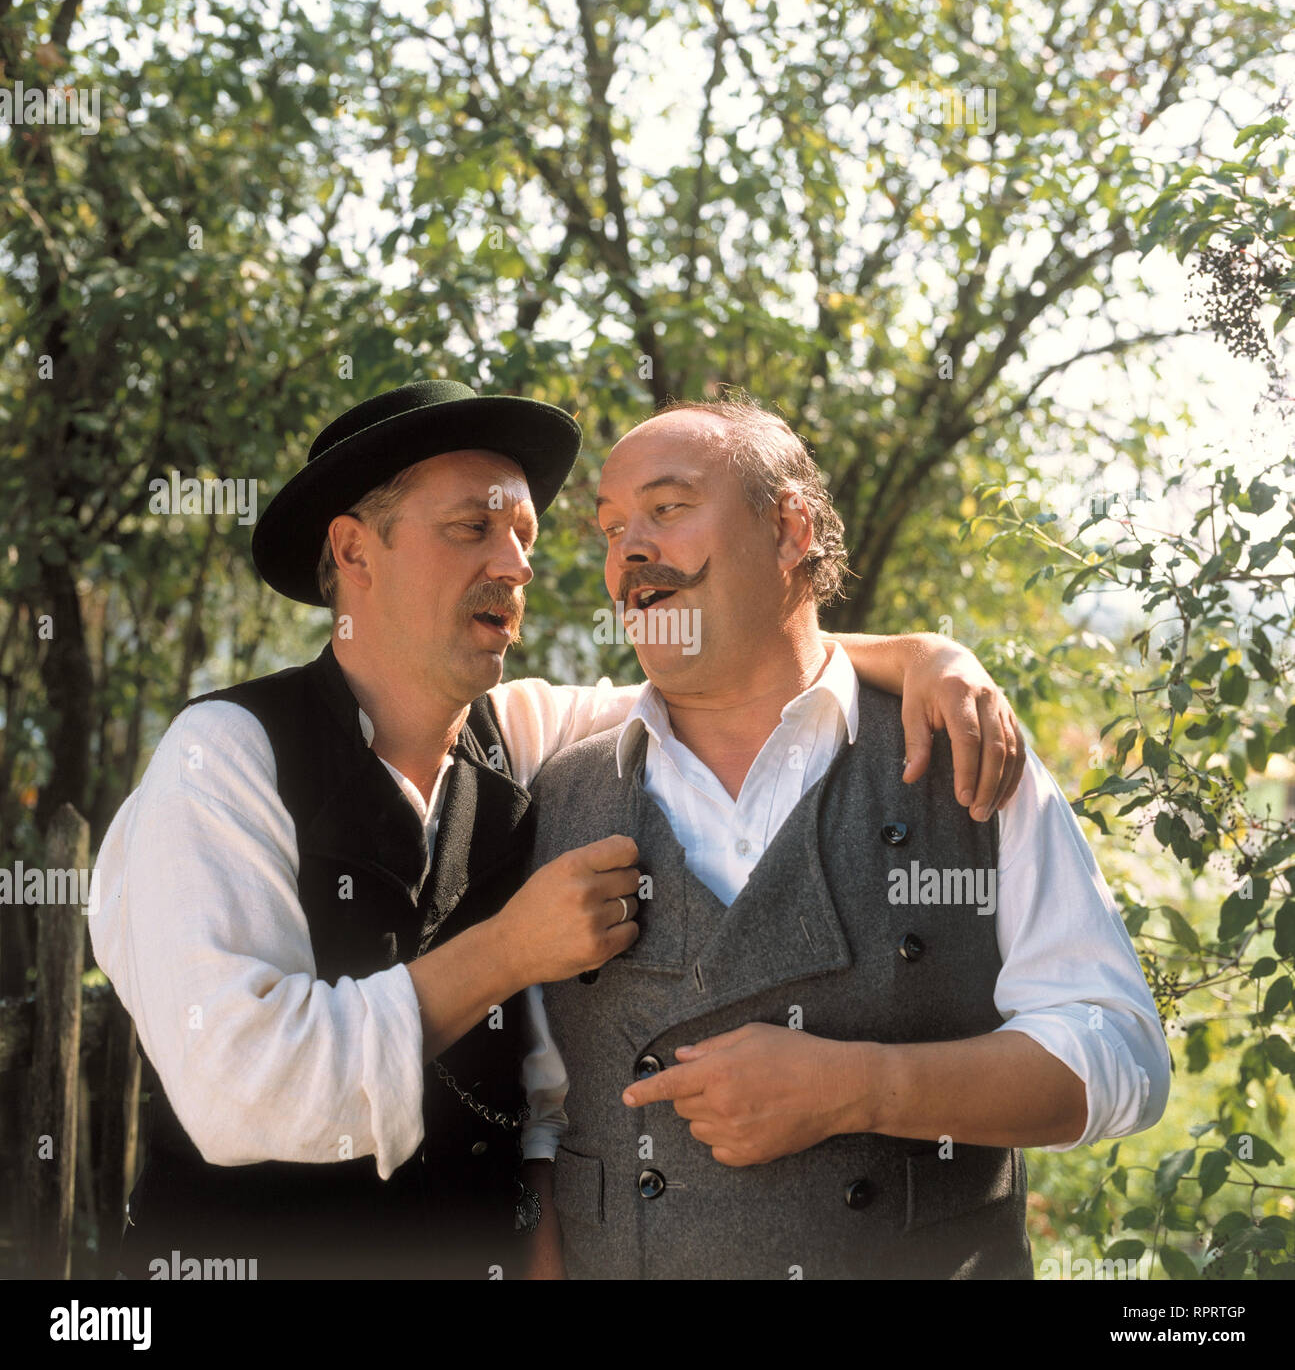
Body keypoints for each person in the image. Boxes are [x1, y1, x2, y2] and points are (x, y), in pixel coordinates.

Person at [90, 378, 1028, 1280]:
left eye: (523, 536)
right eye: (472, 529)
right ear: (354, 551)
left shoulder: (527, 736)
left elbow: (753, 664)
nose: (514, 564)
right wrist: (504, 951)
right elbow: (242, 1090)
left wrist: (923, 655)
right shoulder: (222, 758)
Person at [525, 397, 1172, 1280]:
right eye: (610, 529)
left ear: (791, 527)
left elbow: (1120, 1054)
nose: (627, 551)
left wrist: (861, 1088)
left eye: (667, 509)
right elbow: (533, 1118)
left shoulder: (967, 759)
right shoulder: (551, 785)